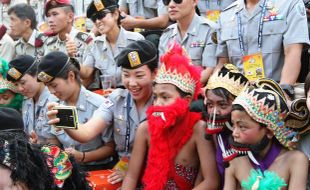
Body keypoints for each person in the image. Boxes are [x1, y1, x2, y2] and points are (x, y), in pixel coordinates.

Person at [47, 40, 158, 184]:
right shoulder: (117, 99)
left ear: (155, 73)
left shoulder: (163, 102)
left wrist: (136, 171)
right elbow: (86, 132)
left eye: (139, 75)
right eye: (126, 75)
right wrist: (62, 119)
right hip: (121, 174)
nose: (131, 83)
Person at [122, 42, 219, 189]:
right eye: (155, 97)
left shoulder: (199, 130)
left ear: (186, 101)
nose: (158, 103)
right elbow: (131, 176)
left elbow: (211, 181)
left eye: (165, 97)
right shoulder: (145, 129)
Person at [37, 51, 115, 171]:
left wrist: (83, 157)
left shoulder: (99, 104)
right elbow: (53, 140)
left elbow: (110, 147)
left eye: (54, 85)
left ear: (71, 76)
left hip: (97, 169)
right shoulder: (53, 104)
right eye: (47, 86)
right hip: (66, 169)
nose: (51, 91)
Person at [224, 79, 308, 189]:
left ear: (268, 131)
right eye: (233, 125)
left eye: (242, 127)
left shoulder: (295, 160)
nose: (235, 133)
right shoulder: (234, 161)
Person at [216, 0, 310, 93]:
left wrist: (282, 94)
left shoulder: (289, 5)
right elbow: (223, 63)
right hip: (237, 94)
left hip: (273, 92)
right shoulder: (226, 14)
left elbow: (293, 53)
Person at [67, 0, 144, 88]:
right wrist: (72, 57)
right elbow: (86, 73)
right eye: (94, 19)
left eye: (101, 16)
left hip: (132, 92)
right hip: (108, 95)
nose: (97, 21)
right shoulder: (96, 44)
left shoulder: (135, 41)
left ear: (115, 14)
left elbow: (142, 76)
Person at [204, 63, 249, 187]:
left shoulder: (250, 136)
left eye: (223, 105)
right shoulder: (215, 133)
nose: (214, 112)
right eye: (210, 105)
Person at [158, 0, 218, 85]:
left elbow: (209, 70)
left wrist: (182, 90)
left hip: (199, 91)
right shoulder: (167, 34)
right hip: (171, 91)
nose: (171, 5)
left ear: (194, 2)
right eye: (167, 1)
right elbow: (161, 71)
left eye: (178, 0)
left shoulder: (210, 29)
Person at [6, 55, 59, 145]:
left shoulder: (54, 100)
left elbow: (58, 143)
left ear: (37, 75)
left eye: (23, 83)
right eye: (16, 85)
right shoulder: (27, 100)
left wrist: (38, 147)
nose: (20, 89)